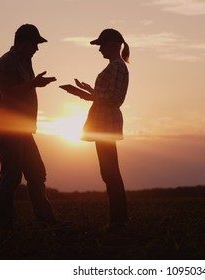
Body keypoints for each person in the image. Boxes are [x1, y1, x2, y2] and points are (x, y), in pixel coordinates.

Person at [60, 28, 130, 232]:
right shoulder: (115, 67)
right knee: (109, 172)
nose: (99, 50)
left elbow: (114, 99)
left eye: (102, 45)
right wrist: (89, 90)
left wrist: (84, 95)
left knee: (111, 173)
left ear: (113, 46)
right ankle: (118, 220)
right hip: (104, 123)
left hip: (106, 124)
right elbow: (107, 94)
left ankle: (118, 221)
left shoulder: (116, 67)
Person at [0, 24, 58, 229]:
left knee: (36, 173)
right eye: (34, 44)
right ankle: (5, 224)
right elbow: (5, 94)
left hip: (22, 129)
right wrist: (33, 84)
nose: (37, 49)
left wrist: (35, 83)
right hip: (8, 127)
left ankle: (45, 220)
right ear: (21, 42)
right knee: (11, 176)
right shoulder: (6, 63)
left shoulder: (24, 62)